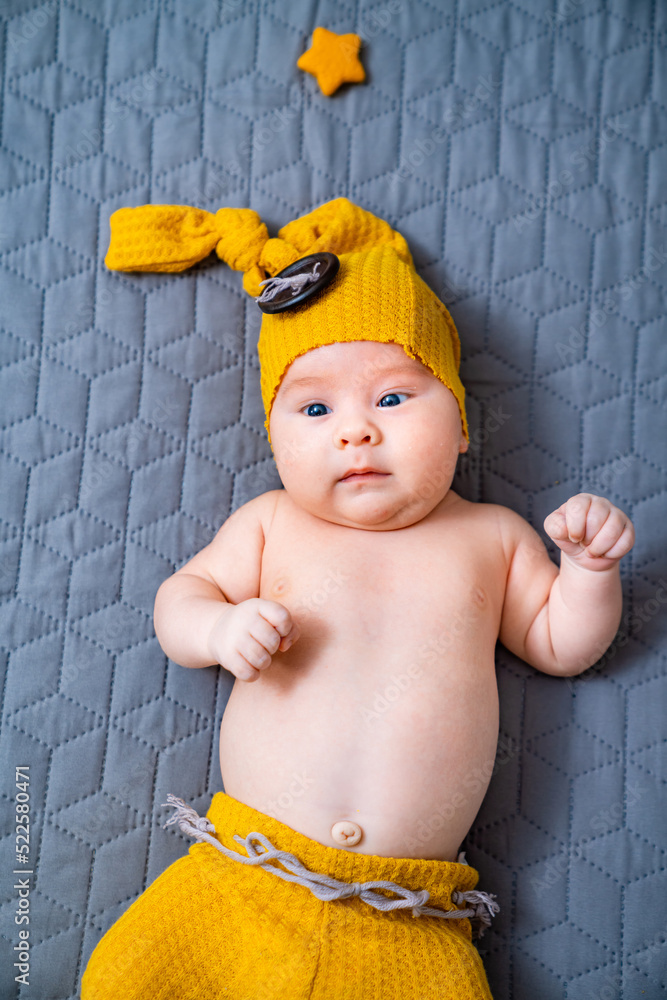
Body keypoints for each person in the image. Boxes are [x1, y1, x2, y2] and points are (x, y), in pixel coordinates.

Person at [82, 198, 635, 999]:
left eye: (393, 399)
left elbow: (560, 644)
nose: (355, 432)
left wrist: (587, 571)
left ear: (462, 426)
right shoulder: (270, 523)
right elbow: (180, 599)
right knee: (129, 981)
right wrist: (218, 625)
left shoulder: (492, 536)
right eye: (314, 408)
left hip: (407, 919)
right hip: (241, 879)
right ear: (275, 436)